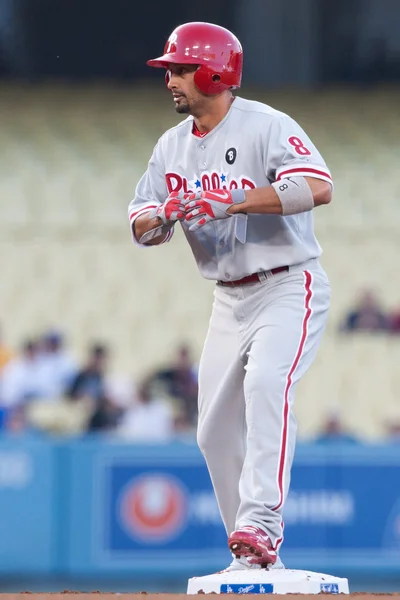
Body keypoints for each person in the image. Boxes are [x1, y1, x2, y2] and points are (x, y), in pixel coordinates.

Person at [128, 22, 332, 571]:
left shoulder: (265, 124)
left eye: (178, 68)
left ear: (215, 71)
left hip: (288, 283)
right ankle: (251, 557)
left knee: (266, 383)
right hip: (228, 298)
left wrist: (239, 200)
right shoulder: (170, 146)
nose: (169, 78)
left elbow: (318, 185)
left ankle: (262, 524)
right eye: (168, 69)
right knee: (213, 430)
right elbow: (140, 219)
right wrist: (163, 217)